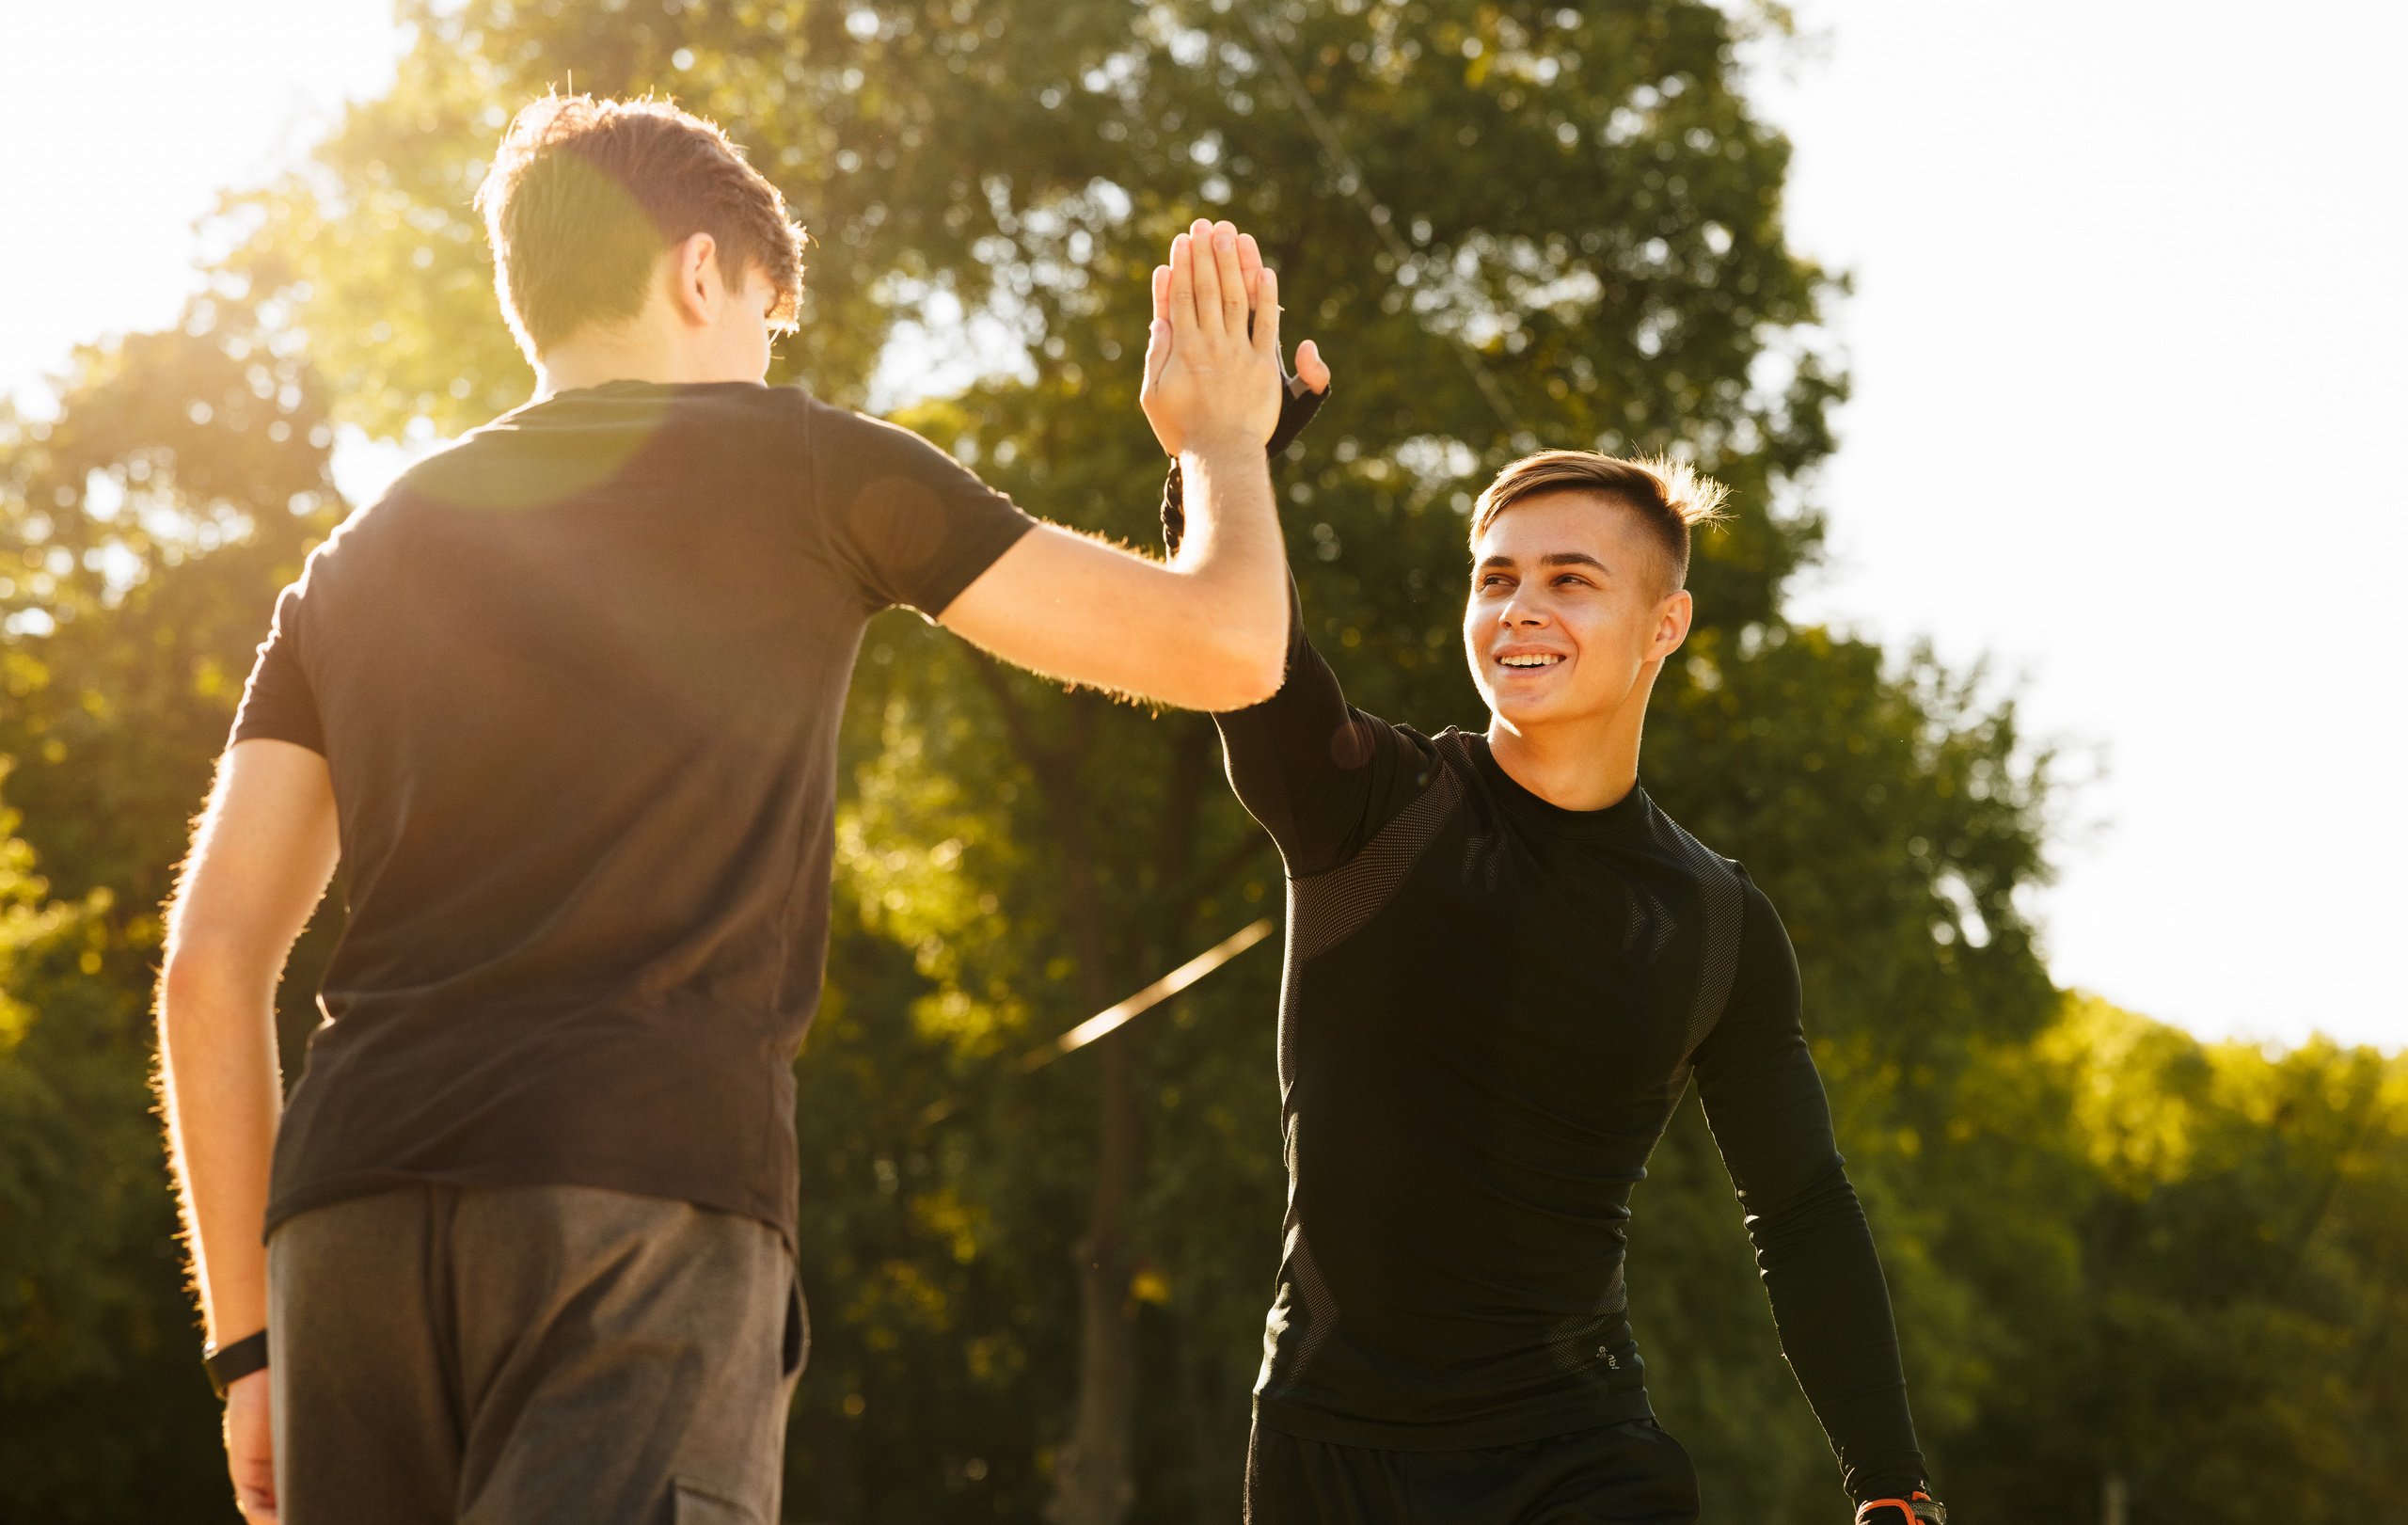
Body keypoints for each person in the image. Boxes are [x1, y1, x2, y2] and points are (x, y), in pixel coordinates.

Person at [154, 93, 1329, 1525]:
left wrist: (251, 1350)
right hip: (636, 1199)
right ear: (702, 271)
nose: (773, 358)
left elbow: (211, 968)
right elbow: (1227, 646)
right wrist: (1226, 444)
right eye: (772, 318)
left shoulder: (354, 558)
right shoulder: (814, 465)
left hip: (346, 1229)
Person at [1196, 448, 1947, 1525]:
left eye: (1570, 579)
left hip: (1582, 1461)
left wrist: (1888, 1480)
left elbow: (1799, 1205)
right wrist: (1230, 454)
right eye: (1495, 578)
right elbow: (1238, 634)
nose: (1519, 610)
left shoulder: (1716, 921)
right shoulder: (1366, 803)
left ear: (1665, 625)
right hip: (1334, 1456)